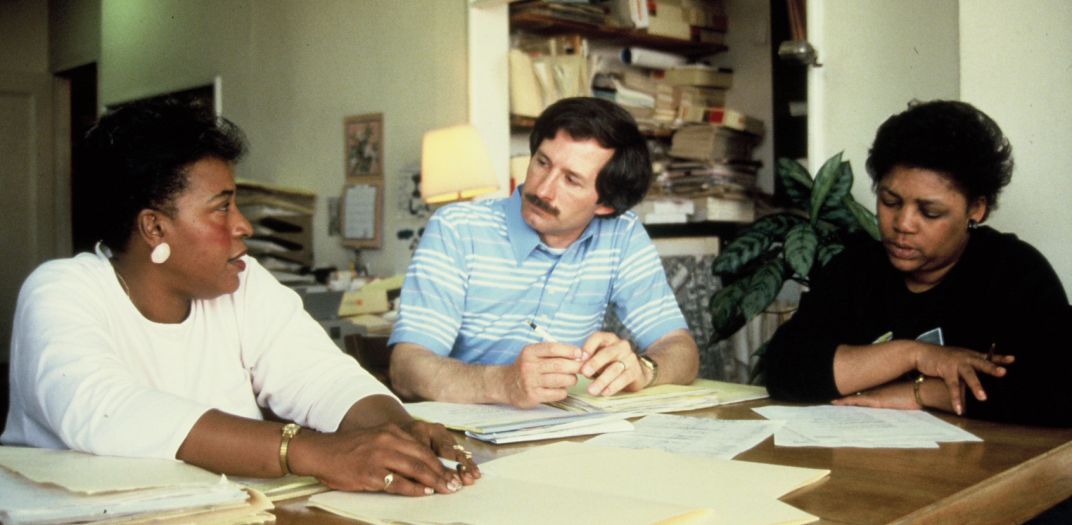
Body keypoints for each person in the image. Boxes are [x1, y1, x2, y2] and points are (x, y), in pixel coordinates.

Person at [1, 99, 479, 496]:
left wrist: (399, 432)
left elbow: (321, 376)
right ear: (154, 227)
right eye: (222, 207)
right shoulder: (61, 290)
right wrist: (308, 450)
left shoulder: (243, 282)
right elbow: (106, 411)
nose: (242, 225)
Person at [763, 100, 1070, 427]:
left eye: (930, 212)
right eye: (890, 201)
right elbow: (785, 370)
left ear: (976, 209)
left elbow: (1058, 393)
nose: (903, 224)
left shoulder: (1013, 272)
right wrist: (916, 355)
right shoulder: (856, 267)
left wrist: (919, 393)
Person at [388, 97, 699, 408]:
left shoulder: (622, 234)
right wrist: (504, 383)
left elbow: (681, 349)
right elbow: (406, 368)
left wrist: (644, 369)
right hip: (465, 434)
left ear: (605, 205)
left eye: (571, 180)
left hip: (563, 430)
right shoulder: (457, 228)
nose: (542, 190)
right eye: (542, 162)